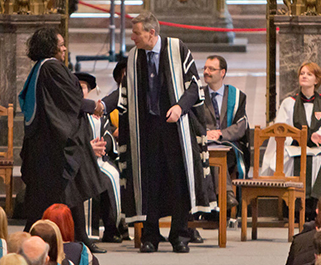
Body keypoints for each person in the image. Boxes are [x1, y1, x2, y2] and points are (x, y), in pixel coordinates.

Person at [103, 11, 208, 254]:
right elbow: (123, 93)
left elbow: (194, 86)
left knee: (178, 181)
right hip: (145, 131)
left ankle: (180, 235)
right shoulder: (133, 57)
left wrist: (180, 107)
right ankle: (150, 236)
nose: (132, 37)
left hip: (174, 130)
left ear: (152, 33)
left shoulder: (177, 48)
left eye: (136, 33)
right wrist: (103, 107)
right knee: (148, 182)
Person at [18, 27, 110, 254]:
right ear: (51, 47)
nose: (65, 48)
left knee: (65, 190)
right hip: (55, 143)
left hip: (46, 141)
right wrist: (94, 106)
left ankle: (78, 237)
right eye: (61, 44)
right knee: (59, 190)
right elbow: (71, 99)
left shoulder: (40, 68)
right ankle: (60, 238)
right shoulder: (52, 68)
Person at [260, 62, 321, 221]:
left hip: (319, 149)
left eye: (309, 74)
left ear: (316, 80)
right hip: (294, 148)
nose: (304, 76)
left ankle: (317, 207)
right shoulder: (289, 103)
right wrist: (295, 137)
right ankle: (296, 209)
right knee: (296, 160)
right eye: (302, 73)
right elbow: (280, 128)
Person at [196, 55, 250, 210]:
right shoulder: (197, 96)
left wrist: (220, 134)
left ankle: (214, 206)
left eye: (211, 69)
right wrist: (206, 133)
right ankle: (226, 196)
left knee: (219, 157)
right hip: (204, 146)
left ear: (222, 72)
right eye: (205, 68)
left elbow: (241, 125)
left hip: (229, 147)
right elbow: (194, 122)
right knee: (212, 156)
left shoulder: (237, 96)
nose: (206, 72)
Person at [75, 72, 123, 245]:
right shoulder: (72, 113)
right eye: (77, 87)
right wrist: (89, 149)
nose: (81, 91)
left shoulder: (97, 113)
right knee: (89, 180)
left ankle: (113, 228)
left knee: (113, 176)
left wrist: (103, 146)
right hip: (79, 161)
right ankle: (87, 234)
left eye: (83, 87)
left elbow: (108, 134)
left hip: (99, 160)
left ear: (88, 91)